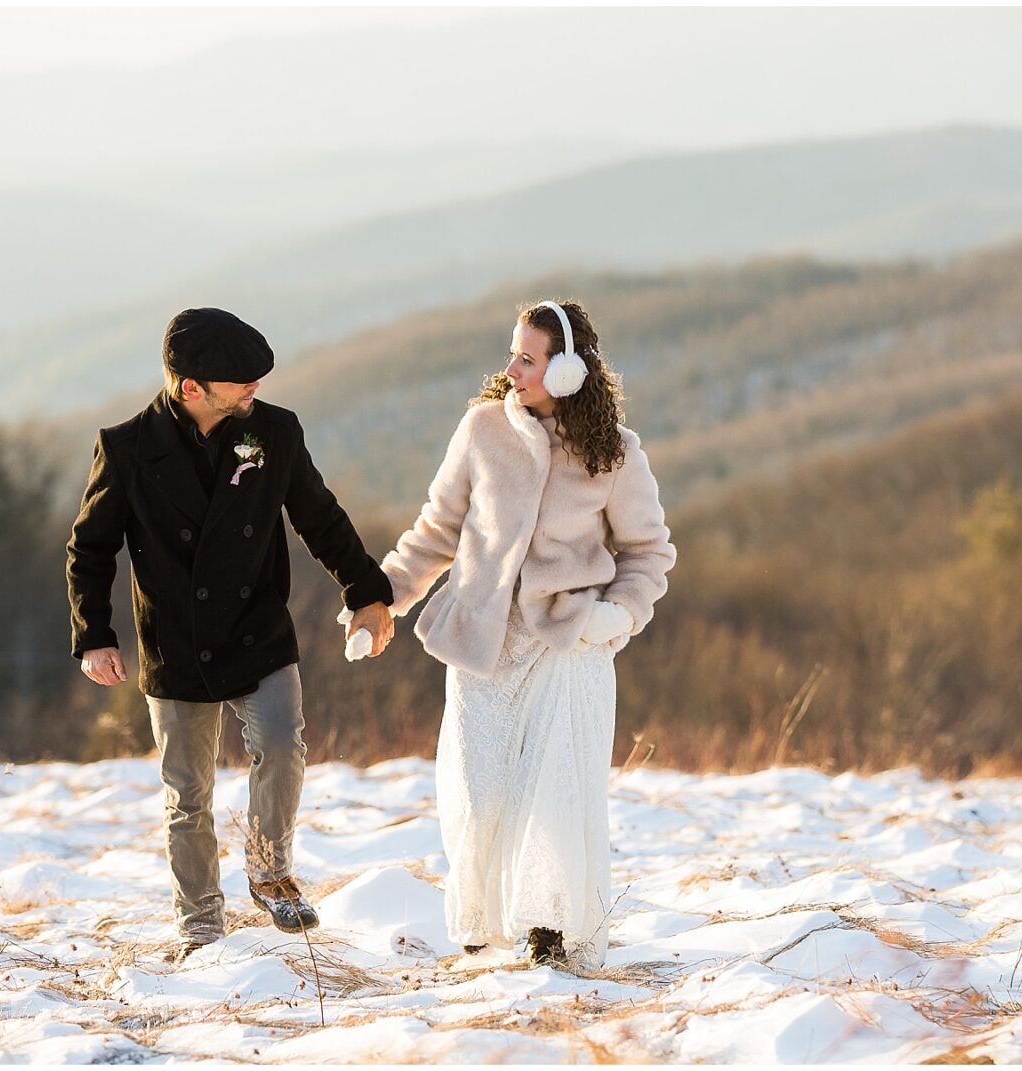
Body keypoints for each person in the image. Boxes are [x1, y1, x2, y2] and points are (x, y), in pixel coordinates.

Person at [66, 307, 395, 964]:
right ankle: (200, 923)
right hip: (175, 640)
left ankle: (270, 871)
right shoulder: (128, 448)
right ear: (193, 387)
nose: (256, 390)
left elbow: (318, 516)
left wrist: (366, 589)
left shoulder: (274, 432)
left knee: (282, 743)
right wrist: (94, 633)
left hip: (257, 629)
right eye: (241, 381)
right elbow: (90, 548)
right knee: (188, 794)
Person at [373, 299, 676, 969]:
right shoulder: (482, 429)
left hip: (568, 644)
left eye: (528, 359)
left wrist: (615, 616)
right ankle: (483, 924)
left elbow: (649, 554)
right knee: (480, 794)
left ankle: (549, 929)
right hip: (483, 640)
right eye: (511, 353)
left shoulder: (614, 453)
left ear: (568, 371)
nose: (511, 368)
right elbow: (437, 530)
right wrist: (381, 596)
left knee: (556, 792)